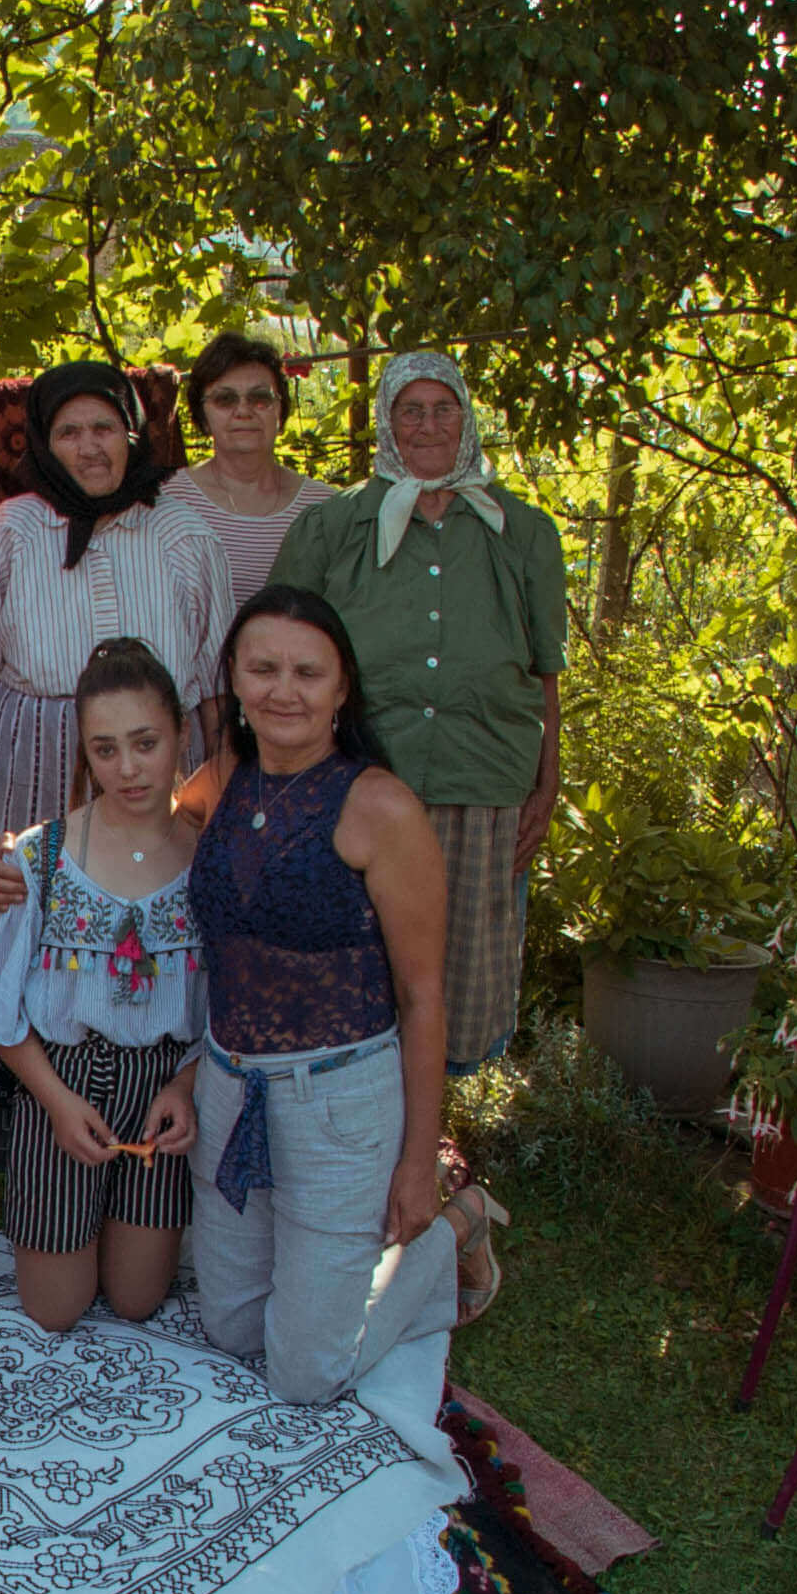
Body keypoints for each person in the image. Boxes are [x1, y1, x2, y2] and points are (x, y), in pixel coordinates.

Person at [180, 586, 470, 1405]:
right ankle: (322, 1280)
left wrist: (418, 1162)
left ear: (343, 687)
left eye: (307, 673)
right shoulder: (224, 779)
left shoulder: (379, 807)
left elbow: (422, 996)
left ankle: (450, 1238)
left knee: (306, 1374)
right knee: (230, 1329)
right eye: (263, 668)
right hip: (229, 1089)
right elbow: (131, 826)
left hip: (341, 1100)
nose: (284, 691)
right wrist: (26, 861)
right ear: (235, 679)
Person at [265, 347, 571, 1073]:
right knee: (355, 960)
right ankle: (357, 1113)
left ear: (467, 420)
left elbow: (545, 672)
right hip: (361, 782)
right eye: (411, 411)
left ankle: (435, 1120)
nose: (428, 426)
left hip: (482, 781)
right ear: (387, 422)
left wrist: (547, 780)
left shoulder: (523, 532)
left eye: (443, 409)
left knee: (459, 974)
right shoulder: (335, 526)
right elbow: (277, 647)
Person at [0, 639, 210, 1335]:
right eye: (105, 749)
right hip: (58, 1082)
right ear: (85, 754)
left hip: (159, 1090)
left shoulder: (210, 860)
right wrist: (58, 1105)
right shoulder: (40, 858)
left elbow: (223, 1005)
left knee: (136, 1299)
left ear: (181, 734)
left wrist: (184, 1086)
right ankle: (49, 1186)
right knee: (55, 1308)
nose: (128, 768)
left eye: (146, 743)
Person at [0, 359, 237, 856]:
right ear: (45, 444)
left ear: (131, 435)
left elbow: (217, 686)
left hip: (161, 767)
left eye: (104, 428)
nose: (89, 448)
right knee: (35, 890)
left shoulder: (184, 533)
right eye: (69, 433)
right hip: (37, 760)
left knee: (160, 891)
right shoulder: (14, 530)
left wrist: (223, 783)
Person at [163, 330, 328, 607]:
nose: (243, 411)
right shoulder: (167, 501)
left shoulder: (323, 509)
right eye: (225, 399)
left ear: (281, 411)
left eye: (260, 398)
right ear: (202, 416)